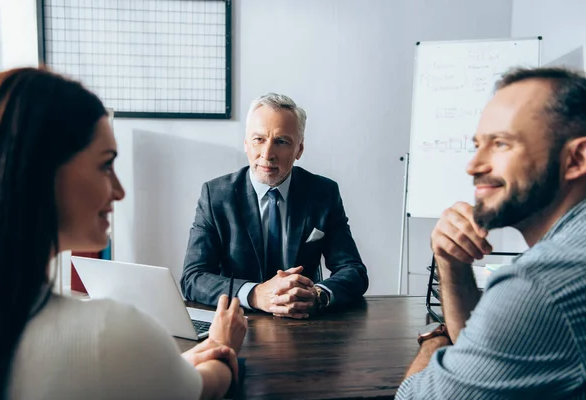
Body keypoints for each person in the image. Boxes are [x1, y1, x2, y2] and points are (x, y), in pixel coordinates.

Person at [0, 67, 247, 400]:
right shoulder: (109, 333)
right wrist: (222, 346)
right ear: (40, 171)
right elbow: (202, 390)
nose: (120, 191)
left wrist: (167, 367)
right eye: (106, 164)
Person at [396, 67, 586, 399]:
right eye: (477, 144)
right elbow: (486, 353)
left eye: (500, 143)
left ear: (576, 159)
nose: (473, 165)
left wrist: (435, 343)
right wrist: (450, 261)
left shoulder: (540, 283)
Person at [181, 93, 368, 319]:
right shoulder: (216, 196)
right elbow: (193, 277)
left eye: (281, 141)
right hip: (239, 322)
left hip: (303, 325)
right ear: (246, 144)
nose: (267, 154)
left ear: (299, 149)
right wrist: (255, 294)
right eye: (259, 139)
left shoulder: (323, 193)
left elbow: (354, 271)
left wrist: (319, 295)